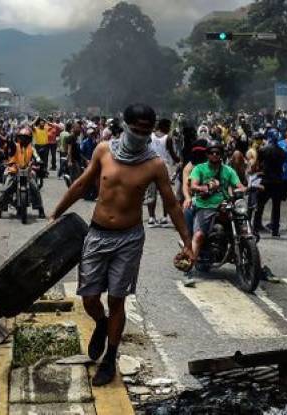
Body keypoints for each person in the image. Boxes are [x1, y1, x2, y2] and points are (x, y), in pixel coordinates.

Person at [49, 103, 193, 386]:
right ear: (125, 126)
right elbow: (81, 184)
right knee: (90, 298)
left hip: (129, 238)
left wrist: (187, 242)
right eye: (136, 129)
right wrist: (56, 213)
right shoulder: (104, 150)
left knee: (117, 299)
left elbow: (172, 204)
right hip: (97, 234)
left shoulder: (154, 164)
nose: (140, 135)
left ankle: (110, 358)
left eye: (146, 131)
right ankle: (101, 324)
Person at [184, 142, 244, 287]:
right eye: (212, 152)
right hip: (205, 206)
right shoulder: (199, 168)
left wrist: (246, 189)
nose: (215, 155)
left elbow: (239, 185)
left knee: (245, 230)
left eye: (218, 152)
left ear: (221, 154)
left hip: (225, 205)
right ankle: (188, 271)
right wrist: (204, 188)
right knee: (198, 236)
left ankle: (257, 267)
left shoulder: (228, 170)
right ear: (207, 154)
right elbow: (193, 185)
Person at [0, 127, 45, 219]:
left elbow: (36, 156)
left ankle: (40, 210)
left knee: (35, 189)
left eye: (26, 138)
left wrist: (39, 161)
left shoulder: (31, 148)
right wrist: (9, 141)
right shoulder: (15, 146)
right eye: (21, 137)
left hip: (27, 171)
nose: (23, 139)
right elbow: (11, 147)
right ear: (18, 138)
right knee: (6, 190)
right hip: (14, 171)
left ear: (29, 139)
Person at [146, 118, 180, 227]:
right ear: (164, 126)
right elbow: (172, 154)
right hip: (163, 167)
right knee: (165, 193)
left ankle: (151, 218)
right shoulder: (167, 138)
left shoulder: (150, 136)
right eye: (168, 126)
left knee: (151, 193)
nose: (169, 128)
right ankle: (164, 217)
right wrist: (180, 161)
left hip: (151, 165)